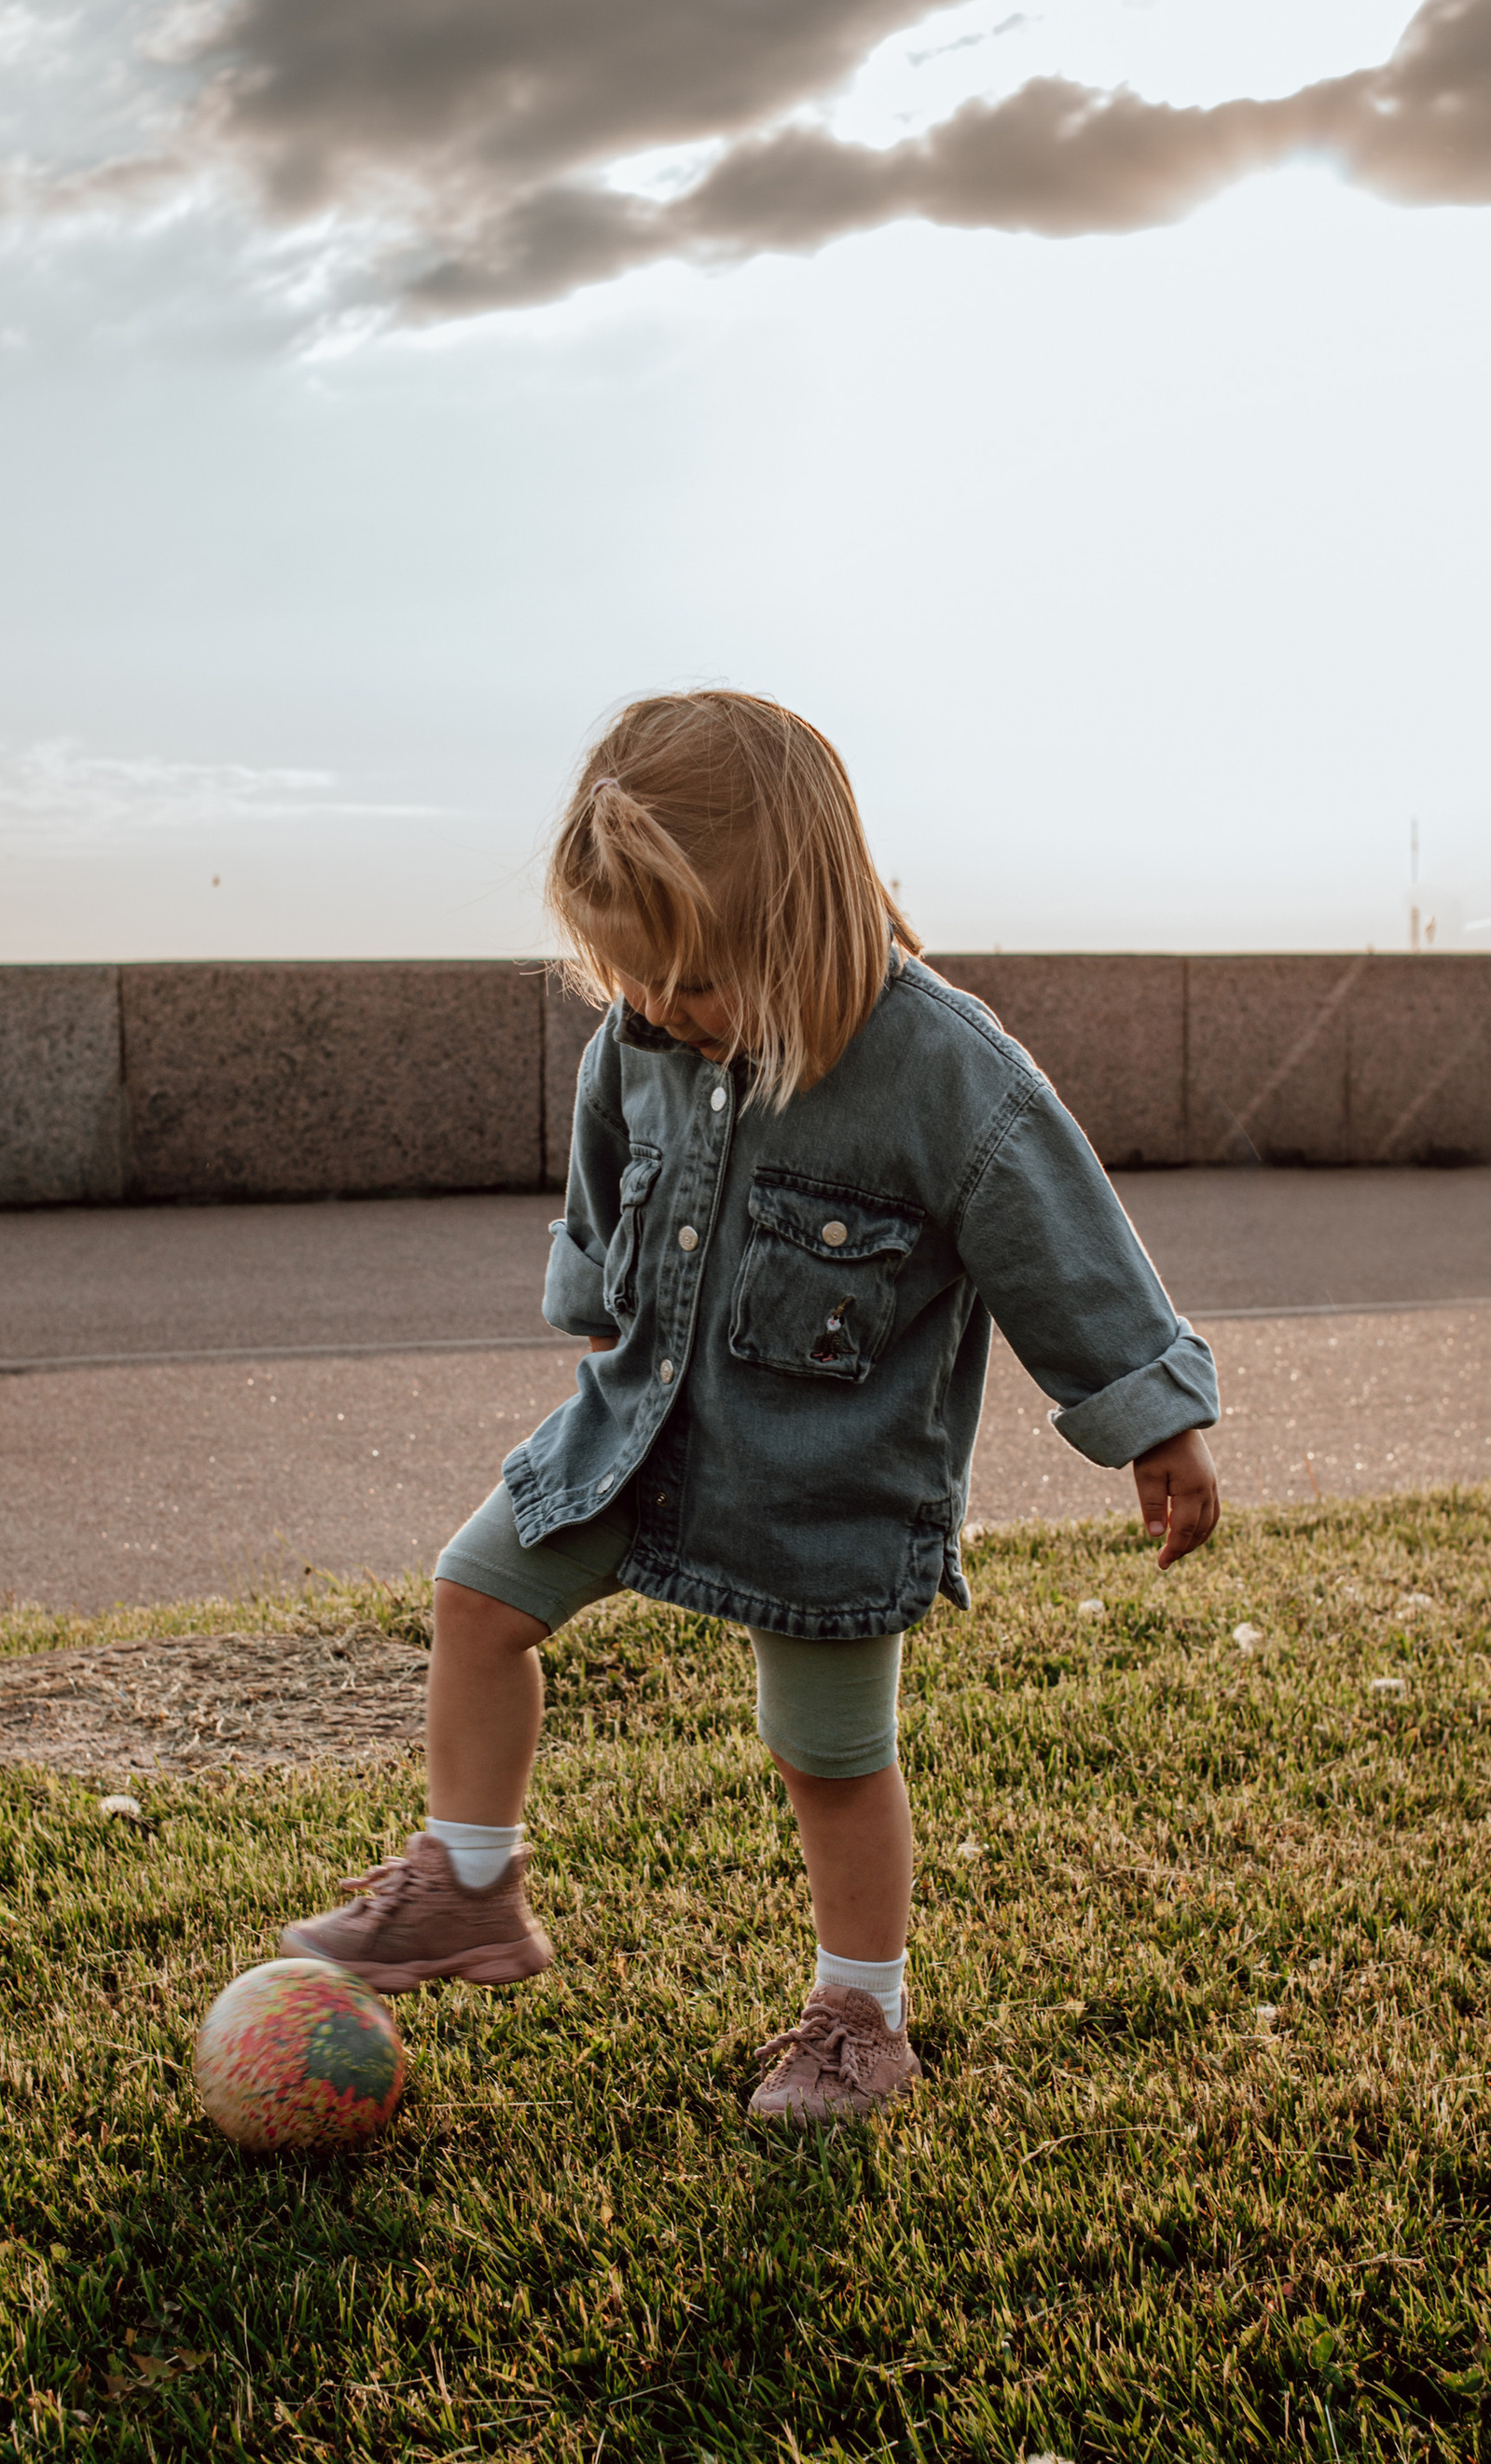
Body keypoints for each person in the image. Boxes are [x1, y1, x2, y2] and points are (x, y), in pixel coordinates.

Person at [283, 690, 1221, 2124]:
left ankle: (862, 2017)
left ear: (810, 926)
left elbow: (1061, 1238)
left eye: (698, 983)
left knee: (828, 1759)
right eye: (633, 979)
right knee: (477, 1594)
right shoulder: (641, 1036)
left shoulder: (944, 1069)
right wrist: (596, 1286)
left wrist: (1153, 1418)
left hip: (827, 1484)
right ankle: (468, 1882)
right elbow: (608, 1164)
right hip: (638, 1433)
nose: (661, 1010)